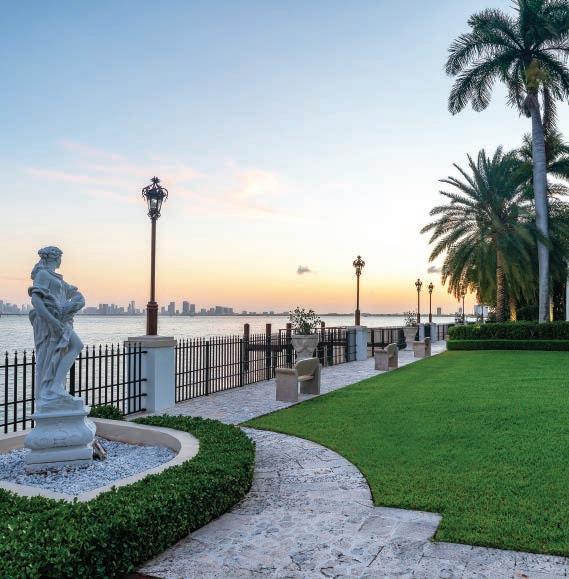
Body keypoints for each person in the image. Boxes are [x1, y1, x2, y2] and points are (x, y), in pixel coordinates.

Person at [28, 246, 85, 410]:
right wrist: (53, 321)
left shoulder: (56, 278)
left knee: (69, 349)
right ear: (56, 258)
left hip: (61, 320)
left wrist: (77, 299)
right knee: (62, 350)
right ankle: (53, 387)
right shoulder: (43, 274)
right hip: (50, 323)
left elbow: (71, 292)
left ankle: (56, 386)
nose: (61, 260)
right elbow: (36, 301)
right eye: (60, 257)